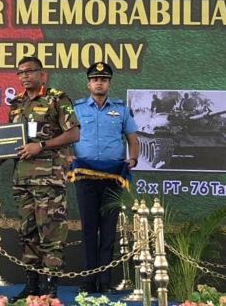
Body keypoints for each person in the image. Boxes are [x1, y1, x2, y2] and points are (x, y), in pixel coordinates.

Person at [7, 57, 80, 301]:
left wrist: (42, 145)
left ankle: (50, 288)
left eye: (30, 71)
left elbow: (74, 133)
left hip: (49, 179)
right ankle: (32, 285)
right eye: (20, 73)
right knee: (28, 235)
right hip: (23, 180)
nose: (25, 76)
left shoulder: (57, 98)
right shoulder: (16, 103)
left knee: (50, 235)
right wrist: (0, 156)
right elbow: (13, 142)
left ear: (42, 74)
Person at [69, 62, 139, 294]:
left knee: (108, 231)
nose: (99, 82)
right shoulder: (77, 109)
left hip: (113, 177)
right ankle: (89, 280)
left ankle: (105, 282)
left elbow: (132, 137)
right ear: (88, 83)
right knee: (89, 229)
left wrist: (134, 159)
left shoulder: (121, 109)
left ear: (109, 83)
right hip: (85, 176)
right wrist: (67, 156)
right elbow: (66, 135)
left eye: (104, 79)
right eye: (95, 79)